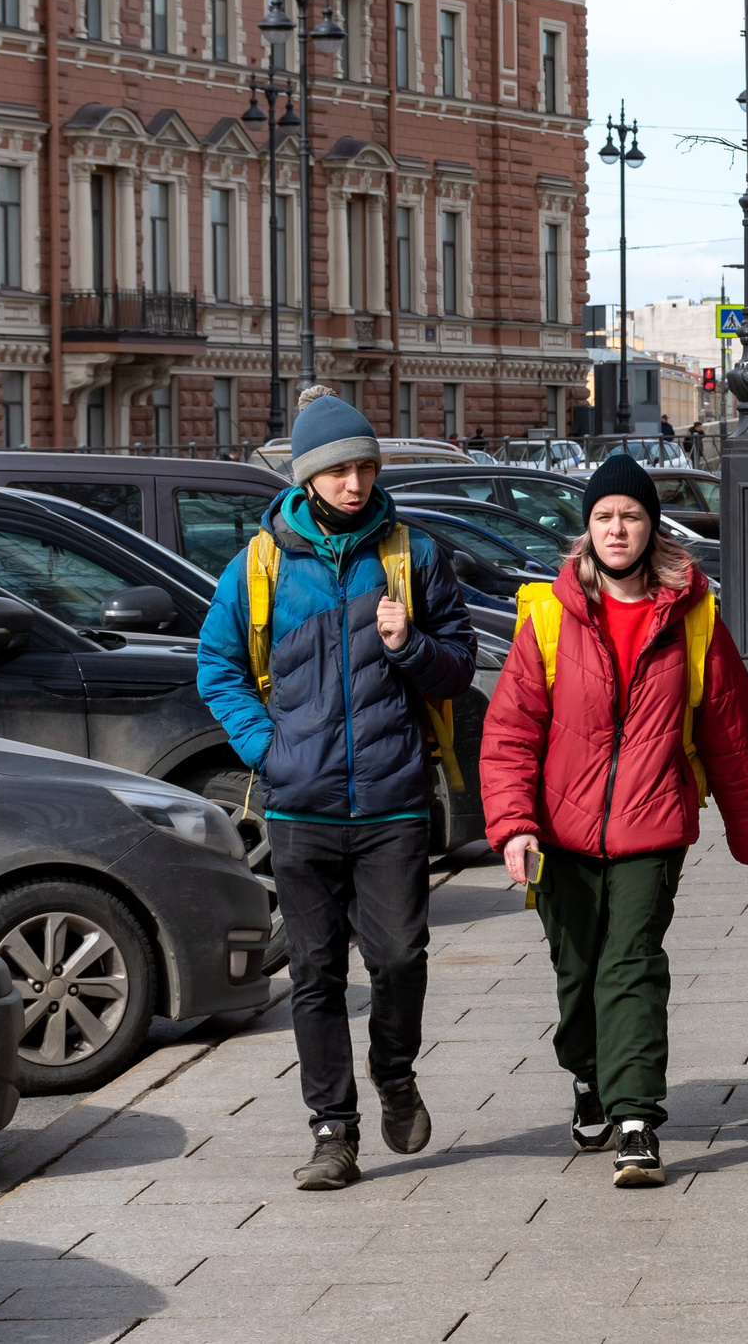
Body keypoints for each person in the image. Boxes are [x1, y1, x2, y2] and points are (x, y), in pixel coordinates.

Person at [195, 387, 477, 1192]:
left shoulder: (411, 554)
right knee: (315, 975)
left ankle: (394, 1071)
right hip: (298, 807)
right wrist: (269, 748)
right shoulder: (261, 564)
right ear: (307, 477)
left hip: (391, 800)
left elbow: (456, 665)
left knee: (397, 958)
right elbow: (216, 667)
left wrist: (409, 642)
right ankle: (333, 1130)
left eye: (364, 467)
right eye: (338, 471)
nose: (354, 483)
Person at [480, 455, 748, 1188]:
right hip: (559, 831)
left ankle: (637, 1118)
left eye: (632, 516)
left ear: (652, 528)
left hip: (654, 822)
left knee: (631, 962)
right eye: (605, 517)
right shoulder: (547, 616)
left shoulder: (693, 613)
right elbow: (511, 730)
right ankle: (588, 1074)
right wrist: (514, 824)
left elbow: (730, 729)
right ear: (587, 528)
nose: (618, 529)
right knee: (577, 971)